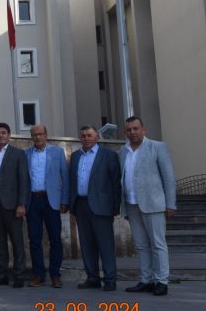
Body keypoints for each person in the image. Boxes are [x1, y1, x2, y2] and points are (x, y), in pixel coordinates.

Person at [120, 116, 176, 296]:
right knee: (142, 245)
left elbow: (168, 177)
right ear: (125, 132)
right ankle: (146, 279)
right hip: (131, 204)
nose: (132, 132)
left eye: (136, 128)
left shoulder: (157, 147)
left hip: (153, 203)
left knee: (158, 244)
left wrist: (170, 204)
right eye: (129, 129)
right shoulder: (123, 151)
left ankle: (162, 281)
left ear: (144, 129)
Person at [69, 125, 121, 291]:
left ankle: (110, 279)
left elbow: (115, 182)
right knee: (86, 244)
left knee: (105, 244)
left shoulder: (109, 155)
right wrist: (72, 204)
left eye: (89, 135)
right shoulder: (76, 156)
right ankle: (92, 277)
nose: (86, 138)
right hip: (81, 204)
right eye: (83, 135)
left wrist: (116, 205)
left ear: (97, 137)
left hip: (102, 206)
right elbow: (72, 181)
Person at [24, 124, 69, 288]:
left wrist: (65, 200)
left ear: (46, 134)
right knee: (34, 240)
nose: (38, 137)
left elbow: (65, 176)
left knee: (55, 239)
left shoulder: (57, 152)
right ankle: (39, 275)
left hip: (52, 201)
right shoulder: (26, 154)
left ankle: (55, 275)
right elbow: (23, 180)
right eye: (34, 134)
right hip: (32, 201)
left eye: (40, 134)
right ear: (31, 137)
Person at [0, 122, 30, 288]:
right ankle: (1, 275)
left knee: (17, 241)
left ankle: (19, 276)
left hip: (12, 205)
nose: (0, 135)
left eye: (3, 133)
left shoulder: (18, 154)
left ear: (9, 135)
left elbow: (23, 181)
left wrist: (21, 204)